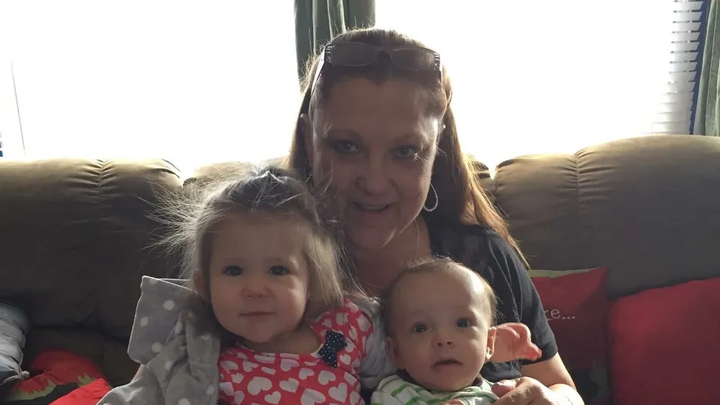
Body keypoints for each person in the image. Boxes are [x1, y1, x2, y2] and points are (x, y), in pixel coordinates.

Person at [289, 27, 583, 405]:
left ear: (436, 148)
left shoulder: (484, 257)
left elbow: (564, 389)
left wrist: (550, 400)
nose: (375, 182)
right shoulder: (254, 267)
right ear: (308, 138)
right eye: (347, 147)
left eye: (406, 152)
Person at [96, 166, 392, 405]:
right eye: (234, 270)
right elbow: (135, 396)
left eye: (278, 270)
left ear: (312, 282)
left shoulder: (350, 324)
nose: (255, 288)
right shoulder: (196, 353)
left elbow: (406, 368)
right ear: (203, 286)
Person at [372, 257, 542, 405]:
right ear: (396, 353)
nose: (444, 338)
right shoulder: (394, 393)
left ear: (489, 344)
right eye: (420, 328)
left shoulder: (503, 394)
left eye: (462, 323)